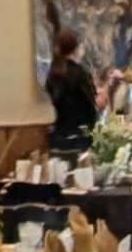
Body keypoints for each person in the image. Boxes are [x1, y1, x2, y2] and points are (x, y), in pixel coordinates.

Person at [43, 24, 100, 154]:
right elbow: (90, 108)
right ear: (76, 49)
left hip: (57, 137)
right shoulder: (80, 73)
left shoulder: (53, 74)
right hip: (79, 139)